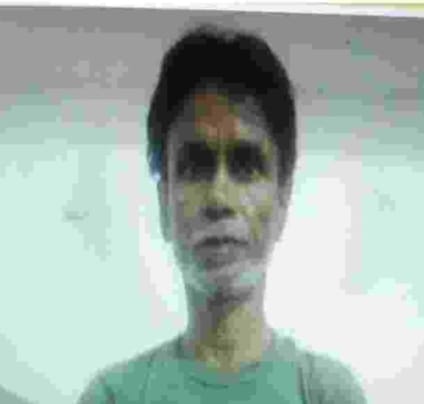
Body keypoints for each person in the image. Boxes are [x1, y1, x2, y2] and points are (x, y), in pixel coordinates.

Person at [77, 24, 367, 404]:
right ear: (164, 203)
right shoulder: (113, 397)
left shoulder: (327, 394)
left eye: (246, 166)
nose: (219, 197)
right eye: (195, 166)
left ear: (283, 200)